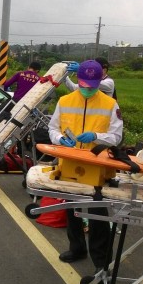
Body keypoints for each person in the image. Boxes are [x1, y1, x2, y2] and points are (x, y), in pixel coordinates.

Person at [48, 60, 123, 270]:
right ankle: (77, 248)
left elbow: (116, 137)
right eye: (84, 85)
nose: (87, 89)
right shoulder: (65, 100)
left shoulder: (110, 104)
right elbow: (52, 128)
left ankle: (101, 263)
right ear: (78, 81)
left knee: (98, 215)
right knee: (72, 209)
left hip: (97, 167)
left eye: (92, 85)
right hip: (70, 164)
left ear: (101, 81)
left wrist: (97, 136)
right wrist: (59, 139)